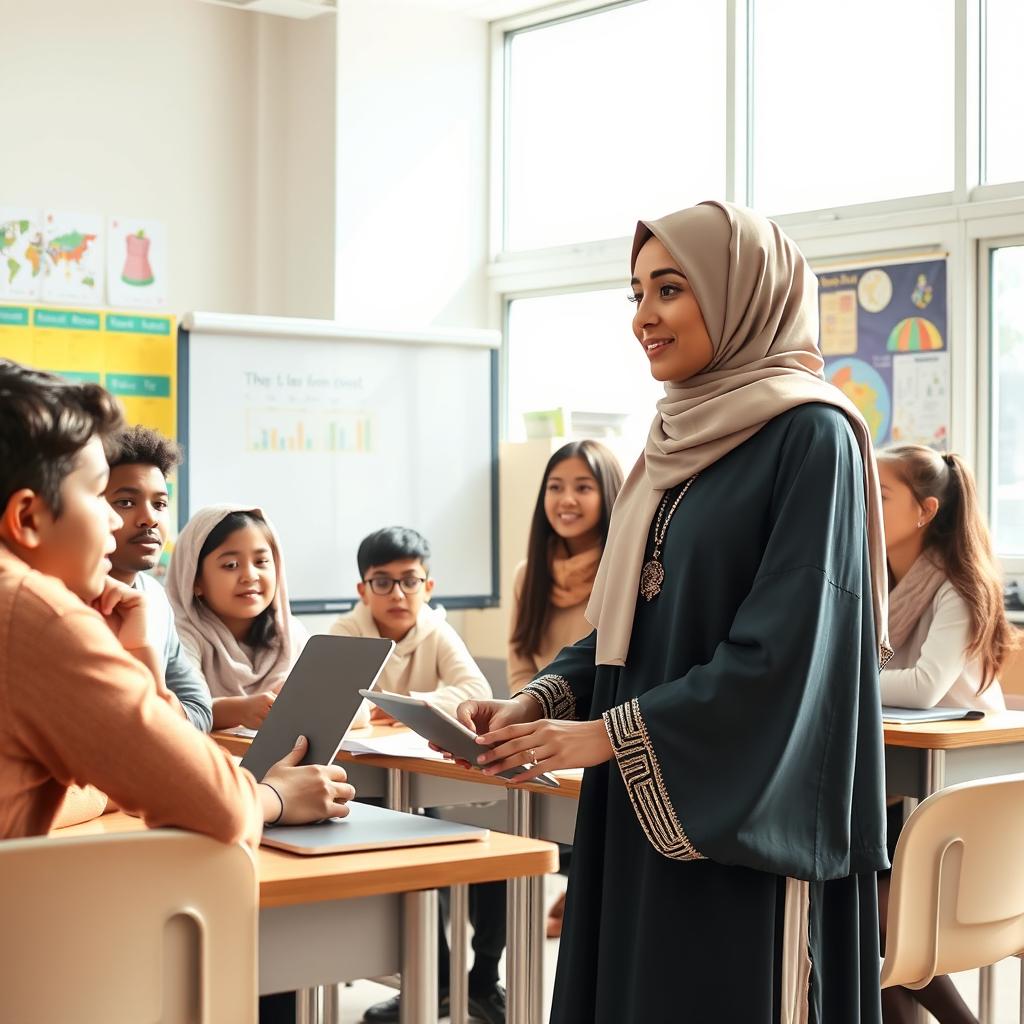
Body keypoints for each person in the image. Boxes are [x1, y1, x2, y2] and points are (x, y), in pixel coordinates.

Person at [449, 202, 892, 1022]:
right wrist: (541, 699)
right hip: (644, 793)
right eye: (636, 294)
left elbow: (786, 655)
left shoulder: (811, 436)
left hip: (745, 814)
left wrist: (605, 736)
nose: (644, 318)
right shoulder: (672, 440)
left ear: (739, 296)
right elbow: (630, 624)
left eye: (670, 289)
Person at [0, 360, 260, 843]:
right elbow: (224, 808)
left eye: (160, 504)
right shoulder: (37, 615)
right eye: (103, 495)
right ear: (28, 517)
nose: (120, 524)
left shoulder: (139, 600)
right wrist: (272, 797)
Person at [330, 527, 503, 1024]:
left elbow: (474, 689)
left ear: (429, 587)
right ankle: (433, 981)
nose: (398, 594)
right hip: (367, 780)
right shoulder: (347, 631)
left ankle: (482, 980)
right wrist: (411, 707)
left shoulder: (436, 629)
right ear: (362, 590)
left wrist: (396, 708)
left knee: (494, 841)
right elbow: (335, 697)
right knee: (410, 849)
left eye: (410, 581)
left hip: (430, 770)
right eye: (382, 582)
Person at [876, 444, 1015, 1024]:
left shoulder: (956, 584)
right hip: (912, 783)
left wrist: (833, 676)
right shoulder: (882, 582)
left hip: (971, 797)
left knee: (867, 908)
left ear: (925, 511)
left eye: (880, 497)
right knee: (864, 915)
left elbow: (926, 687)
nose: (864, 507)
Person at [507, 439, 623, 936]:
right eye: (555, 487)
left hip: (601, 737)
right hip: (539, 734)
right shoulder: (528, 575)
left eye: (583, 486)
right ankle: (488, 969)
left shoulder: (625, 569)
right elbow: (520, 664)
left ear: (611, 495)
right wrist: (521, 712)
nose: (566, 500)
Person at [103, 424, 213, 731]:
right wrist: (165, 712)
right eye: (126, 502)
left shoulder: (154, 596)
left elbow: (200, 710)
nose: (149, 517)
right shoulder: (65, 601)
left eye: (160, 504)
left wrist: (164, 711)